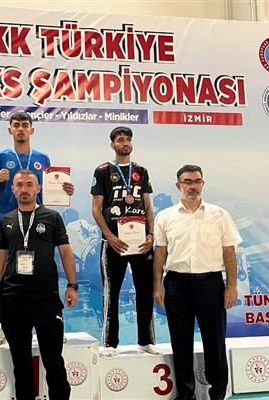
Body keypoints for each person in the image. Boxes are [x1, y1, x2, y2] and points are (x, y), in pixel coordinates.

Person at [0, 111, 74, 346]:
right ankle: (1, 322)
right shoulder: (0, 157)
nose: (20, 129)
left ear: (32, 130)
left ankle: (51, 321)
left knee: (44, 270)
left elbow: (49, 190)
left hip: (38, 222)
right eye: (16, 125)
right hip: (9, 223)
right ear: (10, 130)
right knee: (5, 273)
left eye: (24, 125)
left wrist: (65, 191)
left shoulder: (42, 157)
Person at [0, 169, 78, 400]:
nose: (24, 189)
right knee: (21, 364)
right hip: (13, 300)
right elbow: (0, 257)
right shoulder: (6, 220)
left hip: (46, 299)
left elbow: (65, 252)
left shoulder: (52, 217)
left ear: (38, 188)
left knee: (53, 361)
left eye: (29, 184)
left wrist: (72, 285)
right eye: (19, 185)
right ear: (13, 189)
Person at [153, 164, 241, 400]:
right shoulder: (165, 217)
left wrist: (232, 286)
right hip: (176, 285)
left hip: (210, 284)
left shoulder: (219, 215)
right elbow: (160, 252)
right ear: (178, 185)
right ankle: (186, 395)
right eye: (188, 182)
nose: (193, 186)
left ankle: (218, 393)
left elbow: (229, 252)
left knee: (215, 342)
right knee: (180, 343)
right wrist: (157, 285)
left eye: (197, 181)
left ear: (203, 184)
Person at [90, 126, 160, 357]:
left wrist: (151, 235)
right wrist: (109, 237)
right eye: (120, 140)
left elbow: (148, 207)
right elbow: (96, 209)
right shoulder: (103, 171)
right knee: (112, 293)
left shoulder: (141, 171)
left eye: (128, 139)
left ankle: (146, 340)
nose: (125, 143)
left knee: (145, 290)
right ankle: (110, 343)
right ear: (112, 145)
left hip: (141, 242)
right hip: (114, 243)